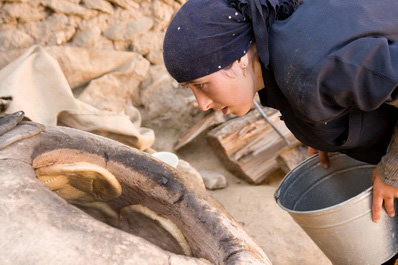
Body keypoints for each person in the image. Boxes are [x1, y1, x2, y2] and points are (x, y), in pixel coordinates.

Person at [163, 0, 398, 261]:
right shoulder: (272, 55)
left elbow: (331, 71)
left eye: (202, 85)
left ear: (239, 58)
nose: (202, 103)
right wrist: (321, 128)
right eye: (190, 89)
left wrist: (392, 171)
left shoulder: (317, 66)